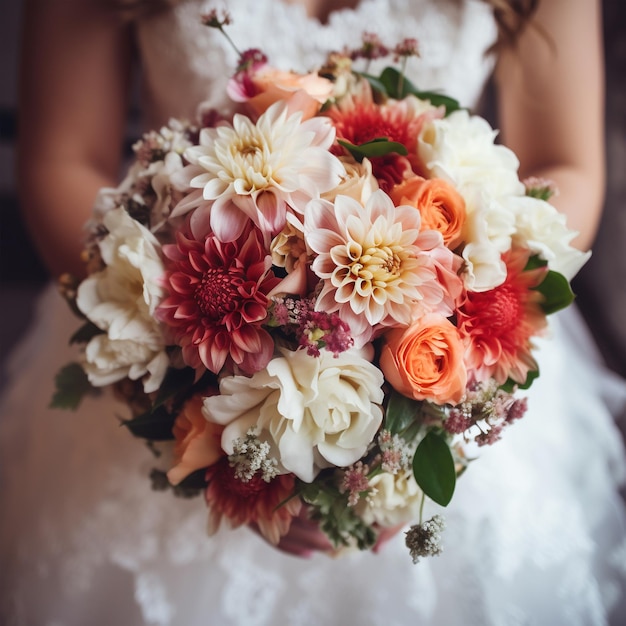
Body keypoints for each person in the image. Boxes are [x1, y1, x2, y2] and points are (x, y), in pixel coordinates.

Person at [2, 0, 625, 624]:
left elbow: (562, 163)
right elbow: (63, 158)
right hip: (178, 315)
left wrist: (444, 371)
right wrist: (184, 389)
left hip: (456, 329)